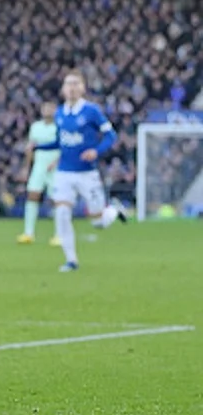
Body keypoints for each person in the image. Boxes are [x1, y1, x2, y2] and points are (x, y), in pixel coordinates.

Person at [37, 71, 127, 272]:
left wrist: (96, 151)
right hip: (64, 172)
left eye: (76, 84)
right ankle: (71, 261)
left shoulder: (92, 111)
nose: (72, 88)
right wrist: (38, 147)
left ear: (83, 88)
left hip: (87, 174)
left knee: (98, 223)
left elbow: (111, 136)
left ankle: (114, 210)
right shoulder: (59, 113)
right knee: (62, 213)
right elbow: (60, 142)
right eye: (68, 84)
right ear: (63, 89)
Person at [17, 101, 59, 245]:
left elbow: (65, 147)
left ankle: (59, 234)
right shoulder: (35, 127)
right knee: (32, 196)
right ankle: (28, 233)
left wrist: (56, 162)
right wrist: (26, 167)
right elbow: (30, 148)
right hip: (39, 166)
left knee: (57, 200)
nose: (47, 110)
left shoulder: (59, 126)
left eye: (50, 108)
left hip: (55, 168)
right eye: (45, 108)